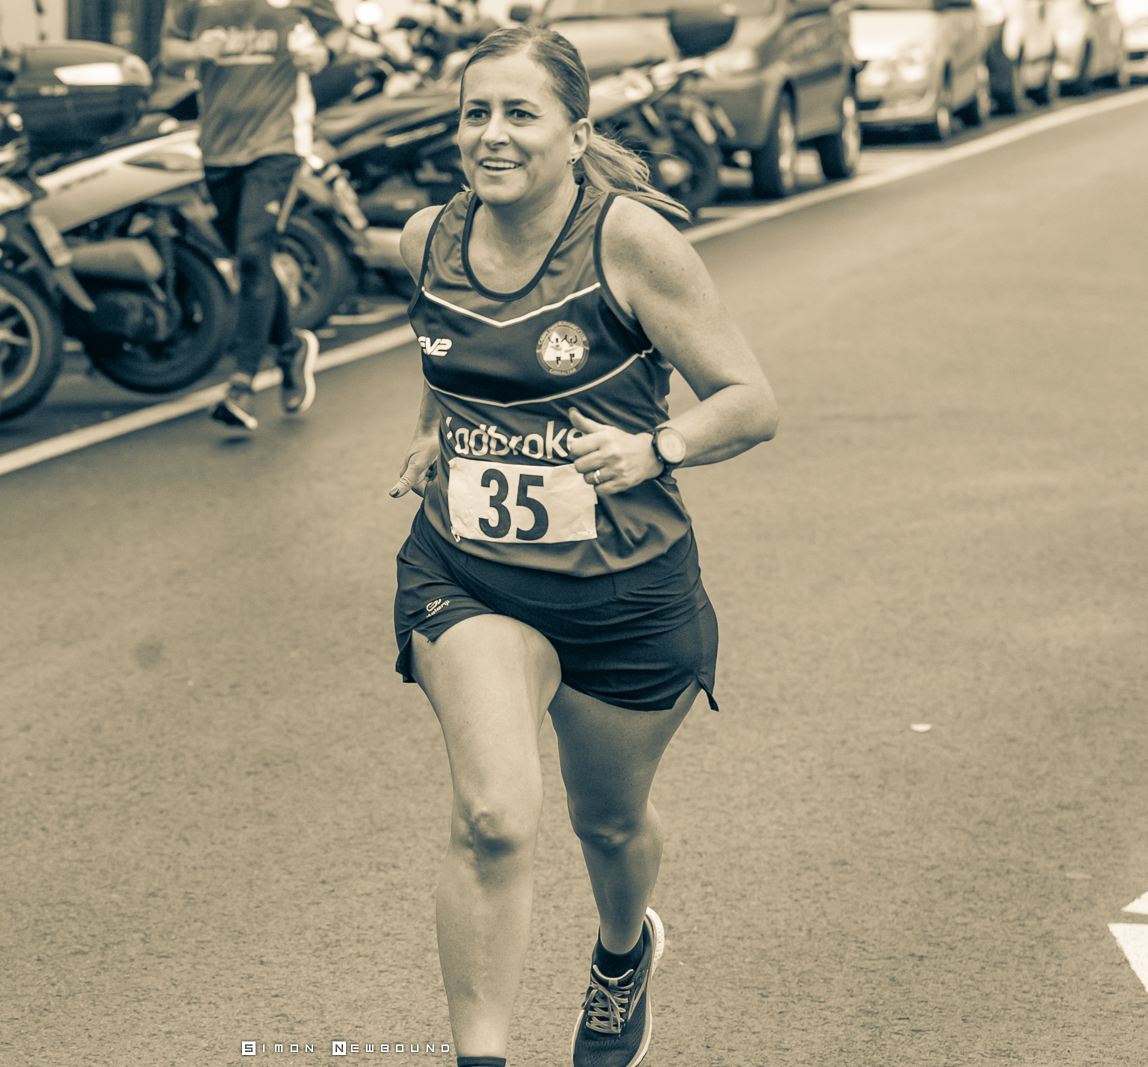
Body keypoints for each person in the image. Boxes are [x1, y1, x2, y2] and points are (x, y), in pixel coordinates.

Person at [386, 25, 779, 1067]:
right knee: (493, 815)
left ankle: (621, 951)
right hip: (467, 574)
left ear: (574, 134)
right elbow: (447, 347)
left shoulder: (630, 243)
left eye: (520, 113)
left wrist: (657, 446)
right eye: (475, 112)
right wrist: (435, 428)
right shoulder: (424, 238)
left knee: (607, 824)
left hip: (621, 592)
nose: (493, 134)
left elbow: (751, 401)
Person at [160, 0, 348, 432]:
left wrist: (324, 53)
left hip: (278, 144)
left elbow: (338, 32)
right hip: (218, 148)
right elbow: (169, 53)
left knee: (251, 253)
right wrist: (195, 51)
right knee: (251, 260)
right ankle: (290, 348)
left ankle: (242, 385)